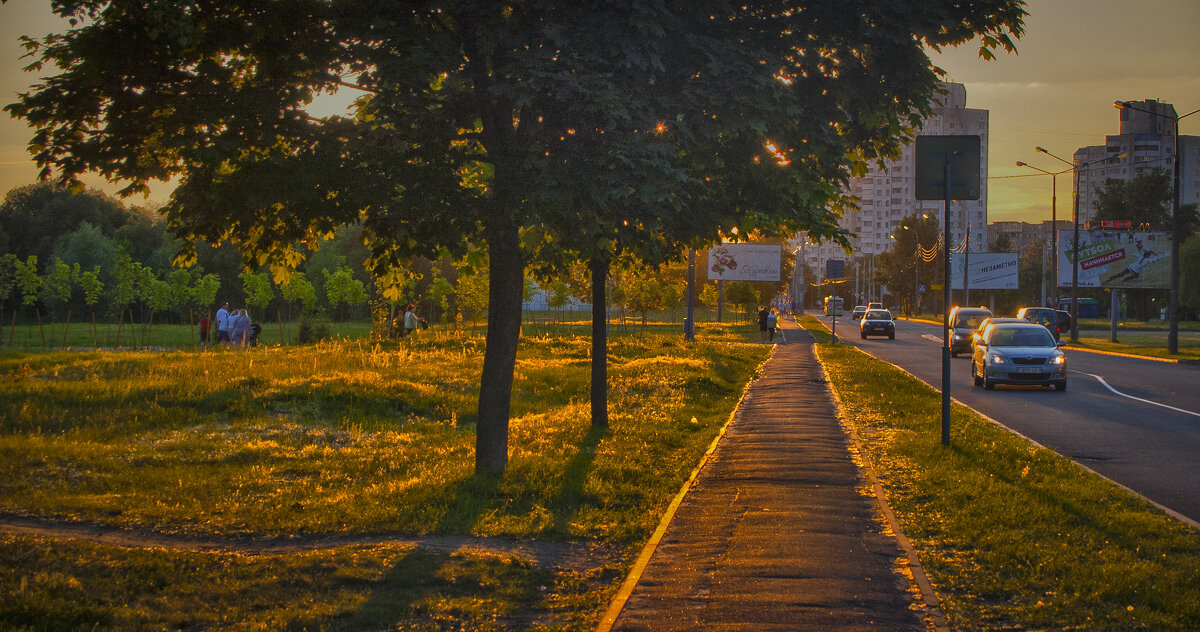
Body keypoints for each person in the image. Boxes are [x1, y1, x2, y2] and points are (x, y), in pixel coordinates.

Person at [1103, 240, 1168, 284]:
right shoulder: (1149, 260)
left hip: (1130, 267)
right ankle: (1125, 280)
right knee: (1136, 275)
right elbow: (1157, 259)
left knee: (1121, 274)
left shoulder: (1140, 256)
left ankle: (1110, 279)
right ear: (1149, 255)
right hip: (1135, 270)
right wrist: (1164, 256)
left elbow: (1134, 254)